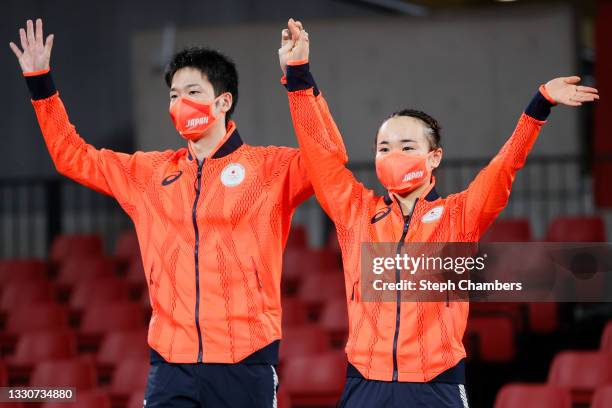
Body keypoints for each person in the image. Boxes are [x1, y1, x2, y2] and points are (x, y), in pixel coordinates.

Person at [9, 18, 346, 407]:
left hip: (246, 360)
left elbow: (330, 158)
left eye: (192, 91)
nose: (179, 103)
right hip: (171, 365)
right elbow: (72, 157)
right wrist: (41, 84)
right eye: (173, 95)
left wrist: (300, 79)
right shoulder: (148, 175)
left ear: (223, 102)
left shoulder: (270, 169)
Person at [279, 18, 599, 408]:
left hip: (436, 386)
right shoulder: (356, 214)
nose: (393, 155)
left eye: (407, 146)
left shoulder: (459, 215)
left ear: (435, 158)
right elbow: (319, 157)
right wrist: (298, 77)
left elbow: (504, 167)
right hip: (365, 383)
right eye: (383, 147)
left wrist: (539, 105)